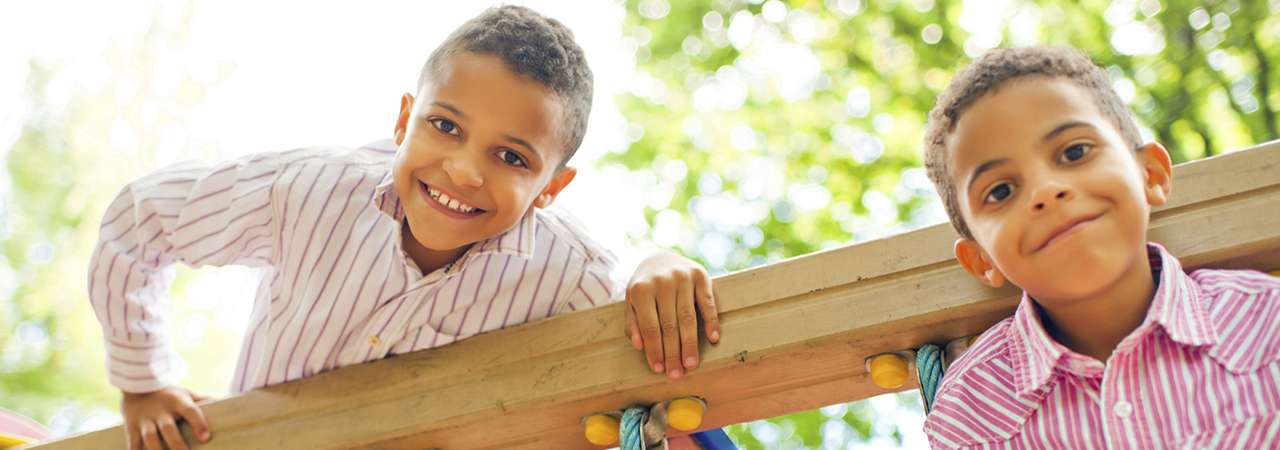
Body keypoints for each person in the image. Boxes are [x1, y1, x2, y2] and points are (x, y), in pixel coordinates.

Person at [88, 7, 719, 450]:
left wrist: (657, 263)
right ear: (403, 120)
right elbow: (142, 217)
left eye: (512, 157)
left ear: (551, 188)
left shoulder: (567, 275)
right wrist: (142, 383)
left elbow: (631, 349)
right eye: (446, 126)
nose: (464, 171)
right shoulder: (305, 193)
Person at [919, 46, 1280, 448]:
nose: (1046, 191)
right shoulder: (969, 413)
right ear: (981, 259)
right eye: (1001, 190)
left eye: (1074, 152)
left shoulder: (1268, 325)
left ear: (1151, 174)